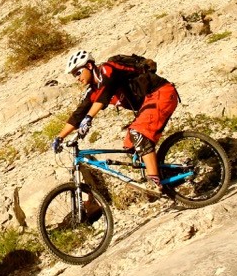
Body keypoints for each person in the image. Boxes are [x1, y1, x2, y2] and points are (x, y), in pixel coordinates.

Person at [52, 50, 179, 196]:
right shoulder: (93, 90)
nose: (76, 78)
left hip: (160, 93)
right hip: (148, 103)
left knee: (137, 133)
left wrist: (89, 118)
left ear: (88, 66)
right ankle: (166, 177)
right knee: (130, 146)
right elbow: (78, 114)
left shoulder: (107, 69)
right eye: (74, 75)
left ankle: (155, 182)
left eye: (77, 73)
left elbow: (104, 95)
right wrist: (60, 137)